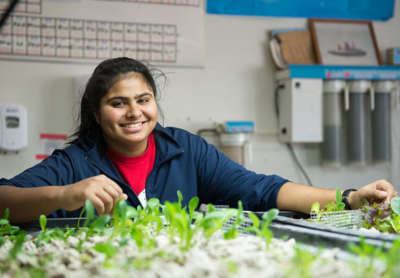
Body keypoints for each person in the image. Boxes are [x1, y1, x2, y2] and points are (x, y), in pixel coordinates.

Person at [0, 57, 397, 223]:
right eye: (118, 104)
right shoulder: (75, 163)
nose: (135, 113)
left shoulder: (186, 151)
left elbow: (260, 189)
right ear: (96, 113)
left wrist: (348, 197)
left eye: (143, 100)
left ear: (155, 104)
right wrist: (66, 195)